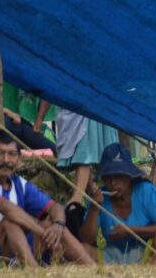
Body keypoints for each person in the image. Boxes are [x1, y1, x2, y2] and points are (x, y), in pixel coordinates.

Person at [0, 129, 93, 270]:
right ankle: (34, 272)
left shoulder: (19, 184)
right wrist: (42, 233)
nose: (6, 160)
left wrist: (59, 225)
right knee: (10, 222)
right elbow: (7, 208)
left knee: (52, 224)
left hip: (6, 253)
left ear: (19, 158)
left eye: (11, 154)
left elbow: (54, 207)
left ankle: (94, 269)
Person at [79, 143, 156, 264]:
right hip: (112, 255)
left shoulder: (145, 190)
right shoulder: (100, 197)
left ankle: (151, 273)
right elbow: (86, 239)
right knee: (82, 249)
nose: (112, 182)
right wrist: (94, 207)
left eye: (118, 176)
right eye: (108, 177)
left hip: (145, 251)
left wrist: (132, 230)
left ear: (129, 176)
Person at [34, 101, 118, 236]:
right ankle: (92, 190)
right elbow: (49, 88)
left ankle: (77, 198)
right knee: (78, 152)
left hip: (88, 105)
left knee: (83, 150)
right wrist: (40, 116)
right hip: (67, 109)